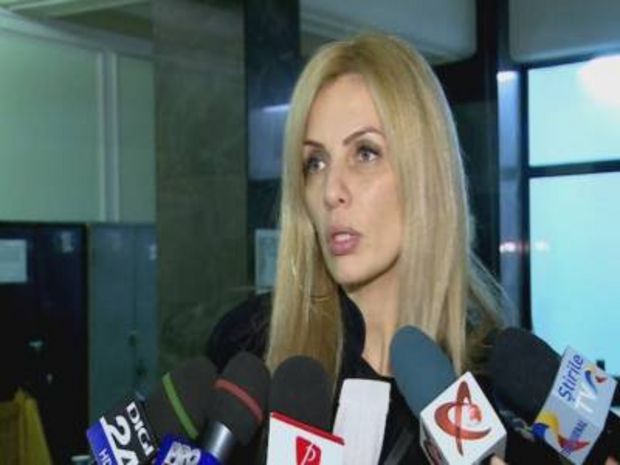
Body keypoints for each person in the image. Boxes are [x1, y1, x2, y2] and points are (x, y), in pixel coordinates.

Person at [206, 33, 569, 464]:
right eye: (315, 162)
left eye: (365, 153)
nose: (331, 191)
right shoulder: (249, 351)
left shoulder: (500, 391)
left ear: (424, 173)